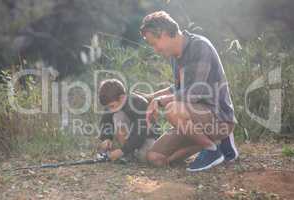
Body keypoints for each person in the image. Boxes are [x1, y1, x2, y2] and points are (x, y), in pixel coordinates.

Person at [139, 11, 239, 171]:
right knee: (155, 157)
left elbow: (195, 92)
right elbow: (178, 90)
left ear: (164, 34)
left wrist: (160, 101)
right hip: (193, 120)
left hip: (218, 118)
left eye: (154, 43)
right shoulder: (174, 56)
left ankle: (212, 149)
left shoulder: (199, 46)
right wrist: (149, 97)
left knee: (173, 109)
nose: (155, 49)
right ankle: (217, 144)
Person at [98, 79, 158, 163]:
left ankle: (127, 153)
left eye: (112, 106)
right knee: (118, 116)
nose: (110, 110)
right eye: (108, 107)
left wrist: (122, 151)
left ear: (122, 97)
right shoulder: (112, 104)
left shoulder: (139, 103)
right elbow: (106, 122)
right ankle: (128, 155)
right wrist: (107, 138)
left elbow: (140, 132)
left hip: (147, 136)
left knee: (144, 157)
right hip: (128, 138)